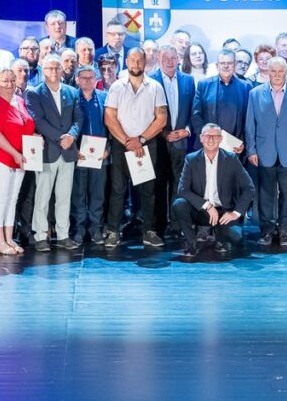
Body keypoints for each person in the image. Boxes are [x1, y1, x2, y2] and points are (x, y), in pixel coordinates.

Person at [103, 47, 168, 249]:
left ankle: (149, 231)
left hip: (146, 144)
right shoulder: (116, 87)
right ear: (127, 62)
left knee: (148, 190)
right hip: (121, 145)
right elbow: (109, 118)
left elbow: (162, 119)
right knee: (118, 189)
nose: (136, 64)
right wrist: (127, 141)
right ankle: (113, 231)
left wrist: (140, 139)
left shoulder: (155, 87)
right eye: (132, 60)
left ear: (145, 61)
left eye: (140, 60)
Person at [246, 57, 287, 246]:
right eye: (272, 71)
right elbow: (250, 125)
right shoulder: (255, 94)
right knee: (266, 195)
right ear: (267, 72)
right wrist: (251, 150)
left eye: (280, 71)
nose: (276, 75)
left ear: (286, 72)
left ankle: (284, 230)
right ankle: (267, 231)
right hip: (264, 152)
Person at [25, 54, 84, 252]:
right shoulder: (34, 92)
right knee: (42, 196)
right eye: (49, 68)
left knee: (64, 196)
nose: (53, 72)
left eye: (57, 68)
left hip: (68, 152)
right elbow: (38, 121)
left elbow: (78, 119)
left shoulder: (72, 92)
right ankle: (40, 235)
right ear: (43, 69)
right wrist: (62, 138)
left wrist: (72, 136)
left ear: (61, 70)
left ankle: (63, 235)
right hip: (48, 151)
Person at [172, 123, 256, 257]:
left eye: (215, 136)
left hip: (224, 213)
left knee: (233, 239)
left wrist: (236, 212)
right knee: (179, 204)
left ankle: (220, 238)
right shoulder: (191, 159)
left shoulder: (231, 159)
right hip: (201, 210)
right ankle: (192, 243)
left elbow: (249, 188)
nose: (211, 140)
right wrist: (207, 205)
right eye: (207, 136)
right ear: (201, 138)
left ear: (221, 139)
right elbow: (182, 190)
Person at [0, 68, 35, 255]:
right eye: (5, 81)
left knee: (12, 199)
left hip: (20, 157)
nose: (10, 84)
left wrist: (36, 138)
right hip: (1, 157)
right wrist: (14, 153)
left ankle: (9, 237)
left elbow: (26, 126)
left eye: (12, 80)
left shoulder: (19, 101)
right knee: (0, 198)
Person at [150, 44, 196, 237]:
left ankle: (177, 225)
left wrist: (186, 130)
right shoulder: (150, 80)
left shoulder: (188, 80)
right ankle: (160, 225)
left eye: (173, 57)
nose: (170, 61)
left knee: (179, 184)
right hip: (157, 142)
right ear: (158, 59)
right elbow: (146, 113)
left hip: (181, 141)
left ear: (178, 59)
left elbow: (195, 109)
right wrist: (162, 133)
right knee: (158, 184)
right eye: (166, 58)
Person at [72, 65, 108, 246]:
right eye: (83, 78)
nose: (87, 81)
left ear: (96, 80)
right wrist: (72, 150)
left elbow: (111, 126)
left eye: (90, 77)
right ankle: (78, 229)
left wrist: (108, 149)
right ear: (77, 80)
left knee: (98, 194)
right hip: (78, 154)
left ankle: (96, 229)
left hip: (100, 154)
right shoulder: (71, 97)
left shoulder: (104, 97)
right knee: (78, 194)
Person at [192, 49, 251, 147]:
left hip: (235, 146)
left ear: (235, 64)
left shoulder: (245, 87)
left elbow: (248, 120)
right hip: (208, 144)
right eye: (222, 63)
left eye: (230, 63)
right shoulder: (204, 85)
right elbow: (196, 115)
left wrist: (242, 142)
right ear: (217, 65)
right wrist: (207, 137)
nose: (226, 66)